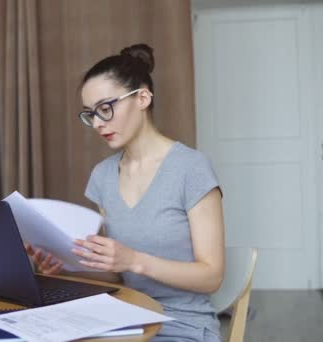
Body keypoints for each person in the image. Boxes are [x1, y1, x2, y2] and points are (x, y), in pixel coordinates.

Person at [26, 43, 225, 342]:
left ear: (143, 97)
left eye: (106, 108)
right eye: (90, 114)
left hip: (181, 324)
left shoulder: (191, 168)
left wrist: (134, 260)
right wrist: (68, 270)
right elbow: (118, 272)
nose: (97, 123)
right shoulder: (103, 176)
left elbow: (212, 276)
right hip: (122, 318)